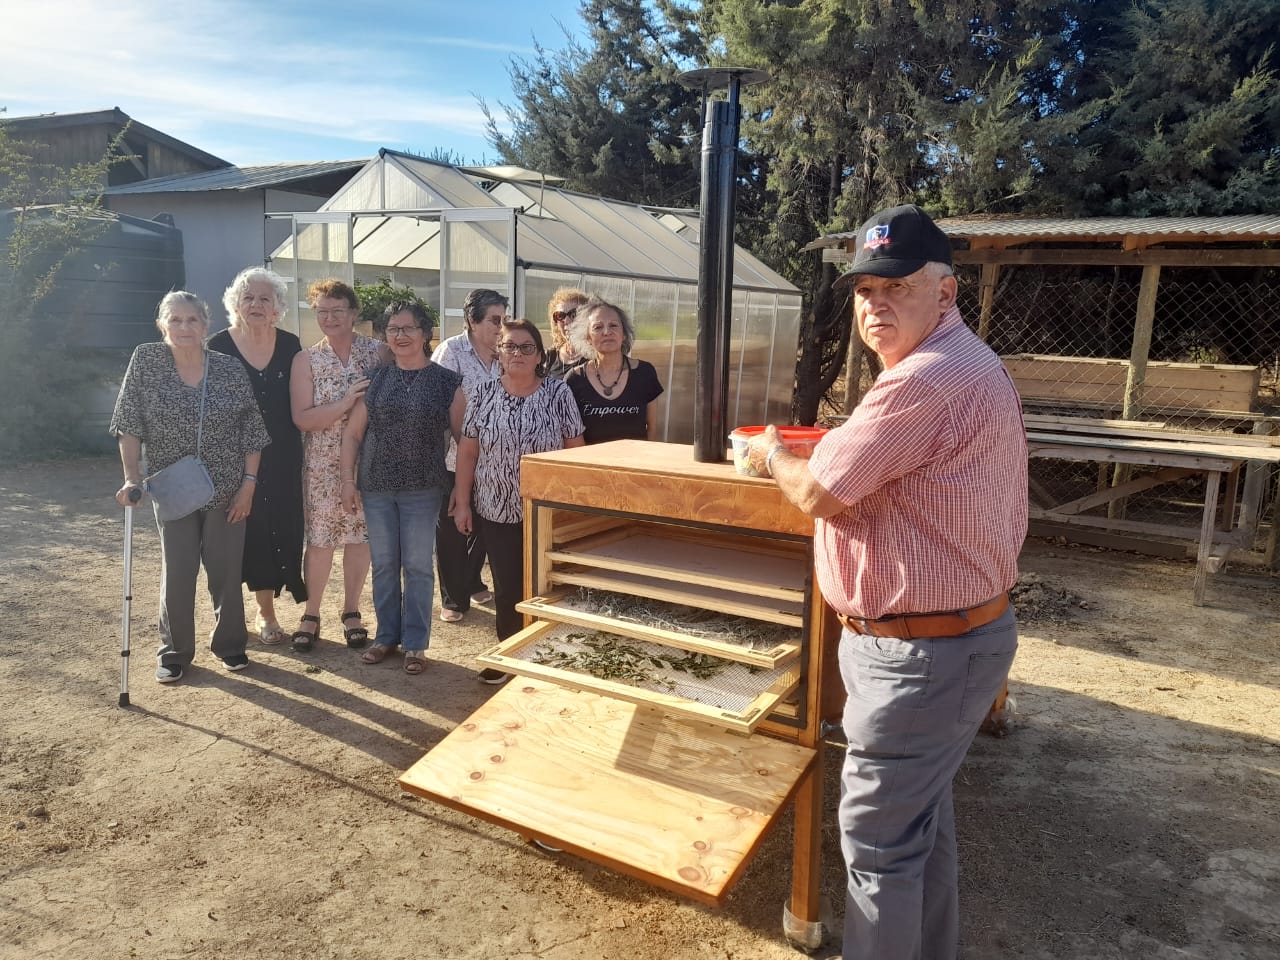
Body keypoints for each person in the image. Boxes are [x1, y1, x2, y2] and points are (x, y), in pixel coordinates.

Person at [744, 204, 1027, 960]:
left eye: (895, 287)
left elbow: (818, 493)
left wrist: (770, 456)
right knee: (918, 831)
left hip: (920, 656)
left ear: (946, 292)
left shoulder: (924, 381)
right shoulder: (970, 364)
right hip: (960, 640)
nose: (875, 305)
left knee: (877, 849)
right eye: (866, 290)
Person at [111, 291, 272, 682]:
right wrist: (131, 476)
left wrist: (249, 484)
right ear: (162, 324)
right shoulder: (146, 362)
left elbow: (252, 430)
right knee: (179, 571)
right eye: (176, 320)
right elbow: (128, 423)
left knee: (225, 570)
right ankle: (175, 652)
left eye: (193, 320)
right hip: (174, 488)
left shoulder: (228, 368)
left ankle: (231, 645)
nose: (184, 328)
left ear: (205, 325)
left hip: (228, 488)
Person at [452, 318, 586, 683]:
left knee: (547, 585)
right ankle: (508, 654)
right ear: (499, 352)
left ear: (540, 355)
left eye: (527, 347)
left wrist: (574, 507)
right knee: (507, 583)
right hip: (495, 508)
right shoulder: (481, 393)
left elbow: (576, 451)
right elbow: (467, 452)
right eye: (510, 346)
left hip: (547, 510)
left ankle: (544, 657)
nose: (518, 353)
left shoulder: (559, 393)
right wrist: (462, 502)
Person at [340, 302, 464, 675]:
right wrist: (348, 480)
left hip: (423, 488)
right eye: (393, 329)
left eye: (409, 328)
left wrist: (462, 487)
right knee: (384, 565)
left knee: (418, 566)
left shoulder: (447, 382)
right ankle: (385, 638)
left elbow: (462, 438)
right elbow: (353, 434)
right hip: (376, 486)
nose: (401, 335)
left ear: (426, 334)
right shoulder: (375, 379)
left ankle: (415, 645)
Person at [208, 267, 306, 646]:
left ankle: (277, 602)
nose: (256, 305)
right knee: (249, 533)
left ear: (278, 307)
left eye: (265, 298)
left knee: (283, 528)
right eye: (248, 297)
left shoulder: (290, 345)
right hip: (233, 459)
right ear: (235, 303)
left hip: (283, 456)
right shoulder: (217, 347)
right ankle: (264, 613)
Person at [289, 279, 387, 651]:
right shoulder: (306, 359)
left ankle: (351, 611)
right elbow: (302, 419)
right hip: (321, 464)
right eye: (322, 311)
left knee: (359, 538)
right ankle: (311, 613)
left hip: (369, 462)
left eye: (337, 310)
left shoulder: (377, 353)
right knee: (320, 541)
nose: (329, 317)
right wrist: (345, 404)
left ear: (353, 313)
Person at [430, 288, 505, 623]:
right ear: (473, 321)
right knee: (451, 528)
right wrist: (466, 448)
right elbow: (440, 403)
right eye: (495, 320)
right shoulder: (452, 351)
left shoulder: (505, 354)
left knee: (485, 526)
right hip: (453, 458)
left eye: (503, 319)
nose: (502, 326)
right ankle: (454, 597)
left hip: (495, 460)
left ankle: (472, 581)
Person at [564, 296, 664, 443]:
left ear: (623, 335)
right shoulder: (574, 379)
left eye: (613, 326)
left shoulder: (645, 373)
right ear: (588, 338)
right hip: (592, 464)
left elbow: (653, 428)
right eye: (598, 327)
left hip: (635, 463)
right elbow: (570, 435)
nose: (606, 332)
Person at [542, 286, 590, 380]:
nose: (566, 320)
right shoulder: (549, 357)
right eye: (560, 316)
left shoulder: (596, 356)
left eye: (573, 314)